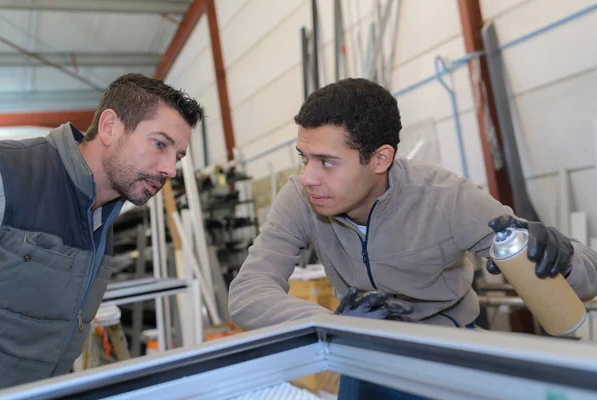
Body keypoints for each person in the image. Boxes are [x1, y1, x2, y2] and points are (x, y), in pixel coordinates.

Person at [228, 78, 597, 399]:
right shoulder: (300, 199)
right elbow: (249, 291)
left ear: (380, 158)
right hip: (364, 355)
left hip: (449, 353)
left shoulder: (445, 197)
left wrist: (564, 260)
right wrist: (332, 325)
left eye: (326, 161)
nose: (308, 176)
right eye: (303, 158)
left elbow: (586, 281)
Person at [0, 73, 203, 390]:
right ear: (109, 127)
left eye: (177, 156)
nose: (170, 169)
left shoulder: (100, 219)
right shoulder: (8, 173)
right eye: (160, 144)